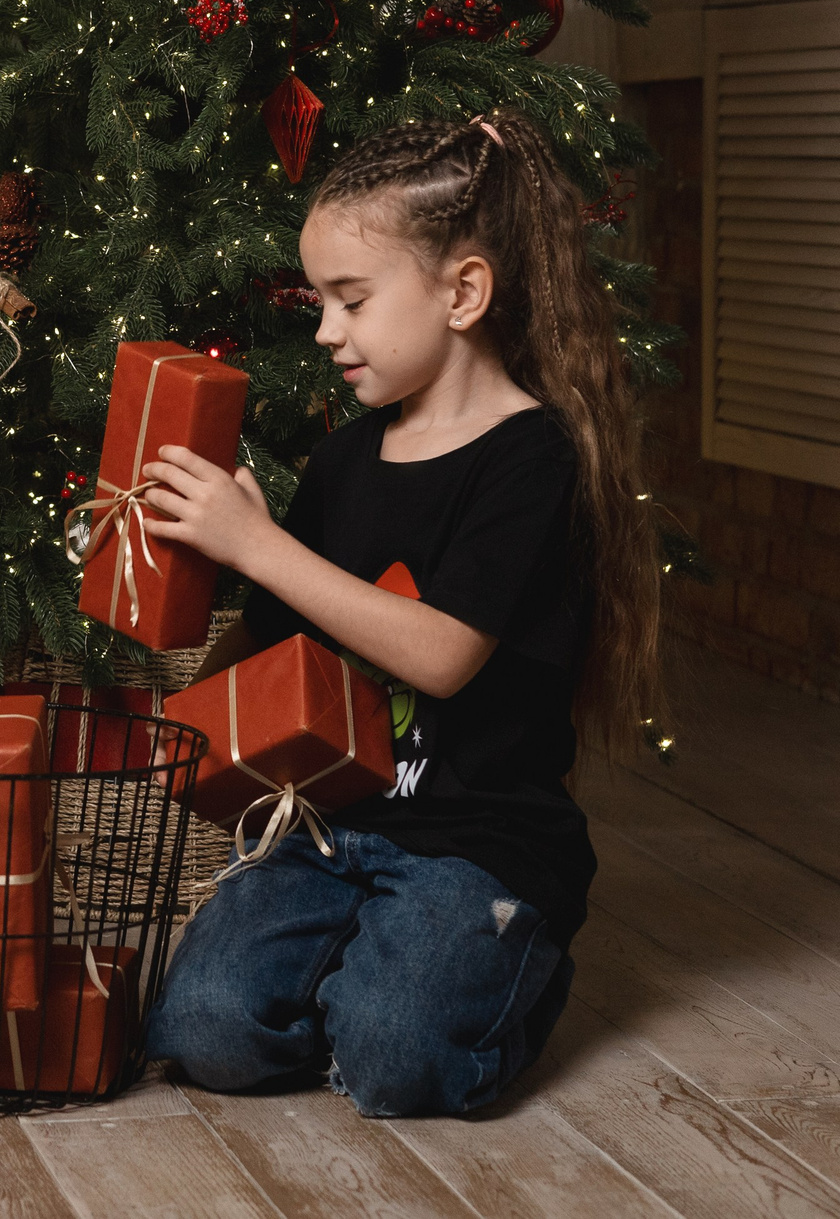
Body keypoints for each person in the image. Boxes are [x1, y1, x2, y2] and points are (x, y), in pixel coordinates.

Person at [133, 112, 661, 1117]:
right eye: (317, 301)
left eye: (351, 300)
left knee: (396, 1061)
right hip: (332, 826)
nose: (325, 331)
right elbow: (279, 638)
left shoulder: (530, 458)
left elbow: (443, 655)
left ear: (463, 292)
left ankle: (501, 968)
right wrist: (185, 697)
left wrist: (260, 544)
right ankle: (364, 961)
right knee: (206, 1033)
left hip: (481, 843)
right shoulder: (341, 464)